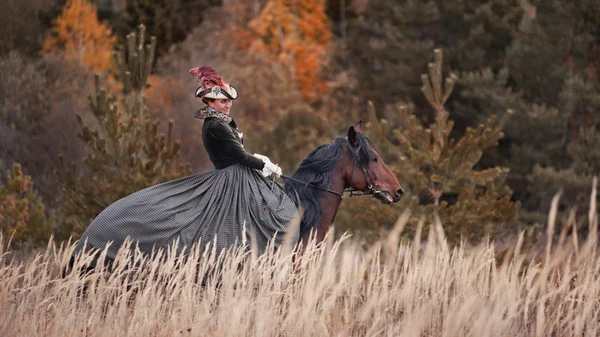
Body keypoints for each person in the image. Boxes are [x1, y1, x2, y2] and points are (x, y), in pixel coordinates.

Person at [70, 66, 299, 268]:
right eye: (222, 101)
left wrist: (257, 160)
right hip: (232, 179)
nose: (227, 105)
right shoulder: (215, 125)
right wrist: (263, 163)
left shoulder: (220, 122)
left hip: (239, 175)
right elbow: (238, 155)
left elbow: (237, 153)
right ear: (209, 102)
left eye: (229, 101)